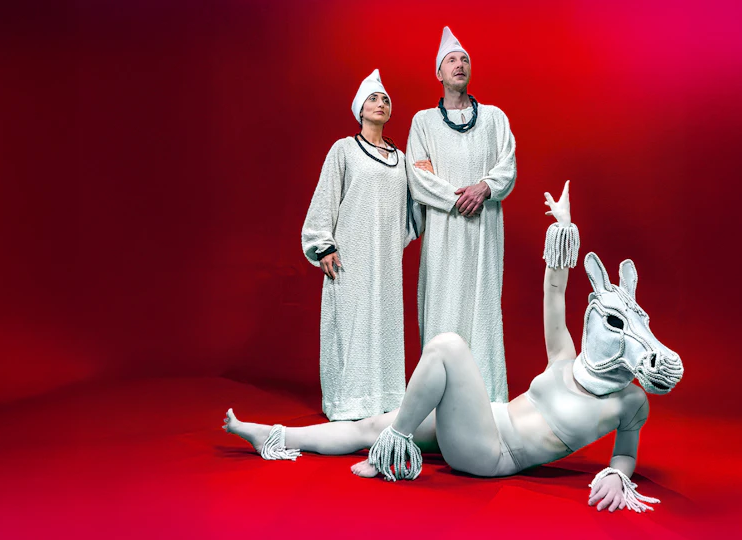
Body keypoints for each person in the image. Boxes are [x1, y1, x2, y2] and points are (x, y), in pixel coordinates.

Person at [230, 182, 685, 513]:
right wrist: (565, 229)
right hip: (487, 418)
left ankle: (393, 450)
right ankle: (274, 436)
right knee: (369, 425)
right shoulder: (565, 358)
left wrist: (617, 474)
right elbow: (555, 291)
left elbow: (626, 452)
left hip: (494, 454)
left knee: (448, 346)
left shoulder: (629, 402)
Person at [300, 69, 420, 421]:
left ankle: (385, 398)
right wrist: (324, 244)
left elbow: (412, 210)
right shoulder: (344, 150)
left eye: (385, 100)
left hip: (386, 259)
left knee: (384, 324)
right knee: (351, 326)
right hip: (350, 255)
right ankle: (347, 401)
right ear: (359, 109)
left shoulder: (401, 159)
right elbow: (325, 197)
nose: (380, 103)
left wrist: (427, 176)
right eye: (373, 98)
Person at [405, 27, 517, 403]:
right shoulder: (423, 122)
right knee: (442, 306)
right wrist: (456, 199)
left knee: (483, 310)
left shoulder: (495, 118)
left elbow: (508, 164)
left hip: (484, 232)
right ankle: (438, 401)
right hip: (444, 233)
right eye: (451, 60)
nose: (459, 64)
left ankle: (488, 401)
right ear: (438, 73)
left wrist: (484, 187)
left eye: (464, 59)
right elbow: (418, 176)